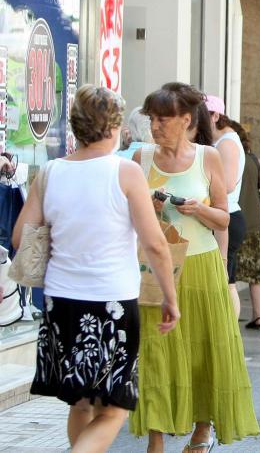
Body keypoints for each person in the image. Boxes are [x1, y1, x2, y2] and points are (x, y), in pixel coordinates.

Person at [13, 84, 180, 453]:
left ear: (76, 125)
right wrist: (170, 298)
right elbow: (155, 244)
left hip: (60, 300)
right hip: (111, 301)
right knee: (114, 407)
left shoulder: (51, 172)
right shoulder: (125, 173)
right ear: (115, 127)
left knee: (81, 403)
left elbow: (19, 236)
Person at [130, 83, 260, 451]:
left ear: (186, 120)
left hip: (201, 264)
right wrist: (148, 208)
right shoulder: (140, 158)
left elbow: (224, 218)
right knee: (155, 352)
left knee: (204, 351)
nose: (155, 126)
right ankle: (156, 440)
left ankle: (202, 432)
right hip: (155, 267)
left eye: (163, 119)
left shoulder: (208, 157)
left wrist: (199, 209)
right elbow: (125, 215)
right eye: (152, 119)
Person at [230, 120, 260, 330]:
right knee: (255, 271)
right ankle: (259, 315)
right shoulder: (254, 160)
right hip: (253, 222)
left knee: (228, 272)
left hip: (230, 221)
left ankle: (229, 314)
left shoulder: (222, 158)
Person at [205, 95, 247, 319]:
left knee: (226, 281)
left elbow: (228, 184)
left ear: (215, 116)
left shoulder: (227, 143)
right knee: (226, 280)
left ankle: (230, 330)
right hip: (223, 215)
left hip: (226, 216)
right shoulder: (222, 141)